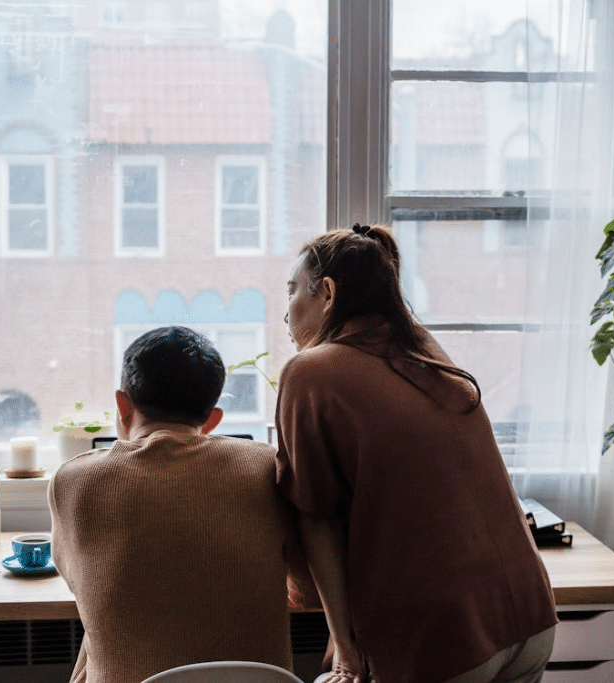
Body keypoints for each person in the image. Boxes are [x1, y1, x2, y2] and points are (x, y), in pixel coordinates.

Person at [276, 224, 558, 683]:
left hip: (448, 639)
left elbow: (316, 518)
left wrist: (346, 652)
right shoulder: (421, 346)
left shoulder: (310, 372)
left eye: (291, 293)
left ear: (327, 293)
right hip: (527, 616)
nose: (285, 315)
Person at [48, 326, 304, 683]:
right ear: (213, 420)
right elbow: (303, 588)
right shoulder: (266, 467)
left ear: (123, 406)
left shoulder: (72, 481)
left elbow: (81, 583)